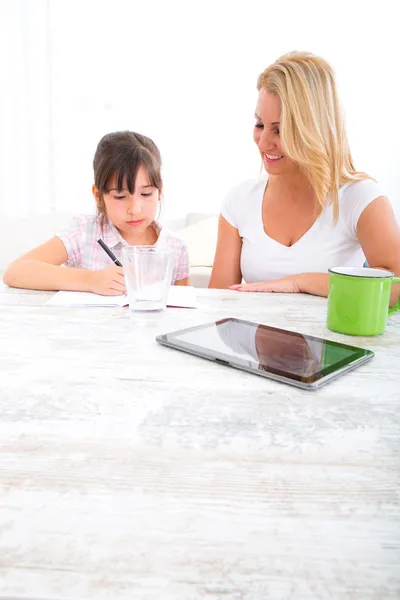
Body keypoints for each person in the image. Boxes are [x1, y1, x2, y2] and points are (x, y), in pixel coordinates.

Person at [209, 52, 400, 301]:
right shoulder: (239, 200)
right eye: (259, 124)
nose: (263, 142)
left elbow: (395, 286)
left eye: (280, 130)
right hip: (253, 340)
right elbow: (217, 304)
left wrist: (301, 283)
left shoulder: (360, 198)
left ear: (313, 129)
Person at [3, 131, 189, 294]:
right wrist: (91, 280)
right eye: (120, 196)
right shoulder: (85, 234)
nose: (134, 209)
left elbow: (181, 312)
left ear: (159, 190)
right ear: (99, 196)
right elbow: (15, 272)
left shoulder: (176, 247)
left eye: (146, 193)